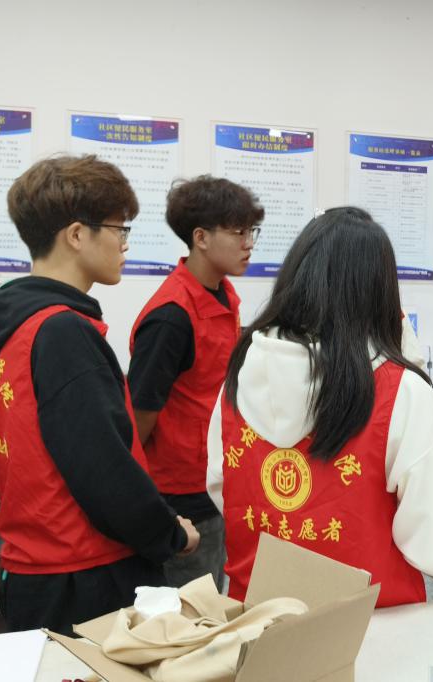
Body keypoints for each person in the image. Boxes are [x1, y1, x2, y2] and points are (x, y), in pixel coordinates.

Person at [0, 155, 199, 636]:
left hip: (36, 569)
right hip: (83, 578)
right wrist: (170, 534)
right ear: (77, 235)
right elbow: (103, 468)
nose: (124, 243)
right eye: (119, 229)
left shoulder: (16, 325)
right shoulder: (62, 331)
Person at [207, 206, 433, 607]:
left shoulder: (239, 376)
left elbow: (221, 487)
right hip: (372, 625)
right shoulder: (401, 392)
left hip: (260, 620)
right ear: (380, 291)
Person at [128, 176, 263, 588]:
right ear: (201, 238)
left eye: (251, 232)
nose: (249, 244)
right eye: (238, 233)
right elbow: (140, 413)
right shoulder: (171, 316)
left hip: (216, 477)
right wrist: (140, 501)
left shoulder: (223, 295)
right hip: (180, 495)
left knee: (213, 596)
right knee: (188, 607)